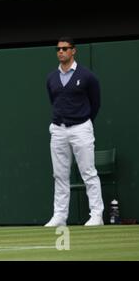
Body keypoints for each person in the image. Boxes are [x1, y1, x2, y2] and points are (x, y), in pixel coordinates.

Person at [45, 37, 104, 227]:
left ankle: (96, 215)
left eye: (64, 48)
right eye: (58, 49)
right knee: (60, 175)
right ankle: (60, 216)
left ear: (73, 51)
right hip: (58, 130)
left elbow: (95, 103)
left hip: (81, 128)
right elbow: (54, 101)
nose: (60, 51)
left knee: (88, 172)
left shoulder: (87, 76)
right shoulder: (51, 78)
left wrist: (84, 121)